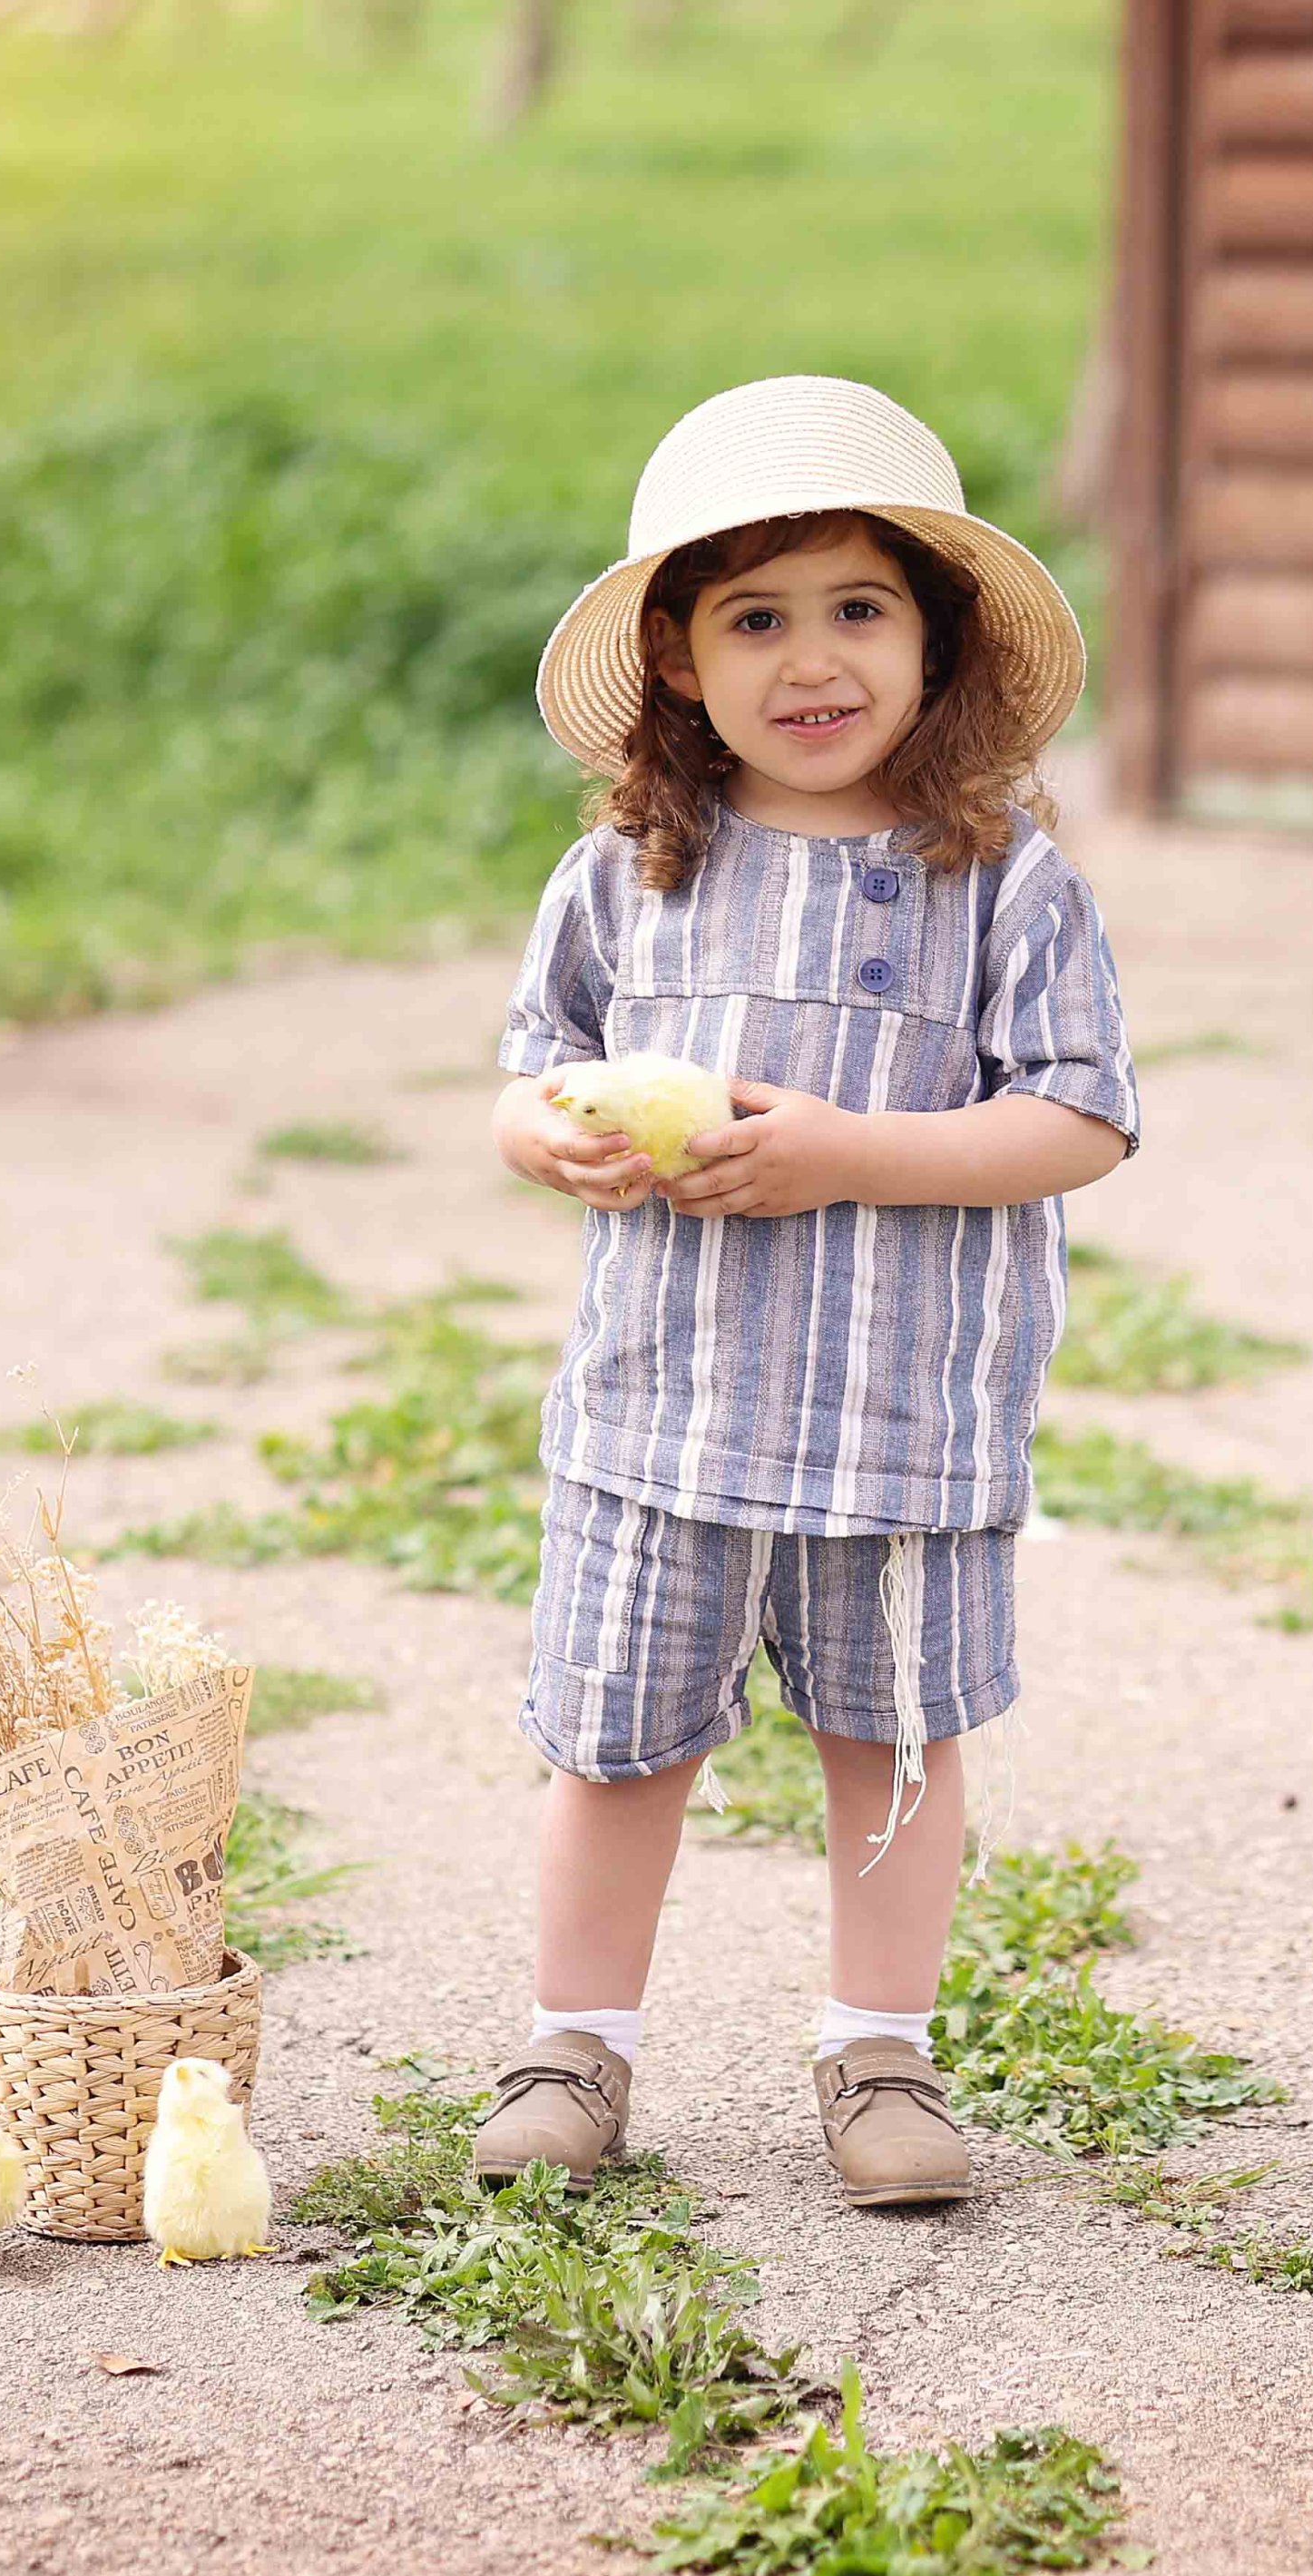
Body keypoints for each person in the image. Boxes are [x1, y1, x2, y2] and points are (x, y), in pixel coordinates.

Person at [475, 375, 1139, 2211]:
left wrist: (851, 1151)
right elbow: (529, 1076)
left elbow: (1079, 1120)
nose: (812, 658)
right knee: (618, 1744)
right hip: (662, 1411)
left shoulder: (1003, 884)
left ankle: (879, 2049)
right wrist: (554, 1141)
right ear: (678, 659)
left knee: (895, 1744)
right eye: (754, 619)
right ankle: (574, 2046)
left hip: (900, 1413)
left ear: (936, 642)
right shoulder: (627, 875)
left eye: (858, 607)